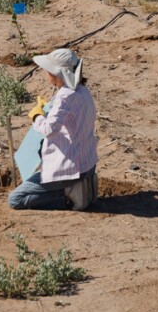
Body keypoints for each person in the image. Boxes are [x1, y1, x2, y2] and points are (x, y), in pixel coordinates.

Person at [8, 48, 98, 211]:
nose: (46, 73)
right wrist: (47, 108)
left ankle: (69, 197)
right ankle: (78, 187)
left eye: (48, 70)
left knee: (16, 199)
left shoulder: (65, 96)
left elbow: (49, 129)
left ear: (58, 74)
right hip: (87, 162)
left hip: (70, 168)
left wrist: (36, 116)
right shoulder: (82, 90)